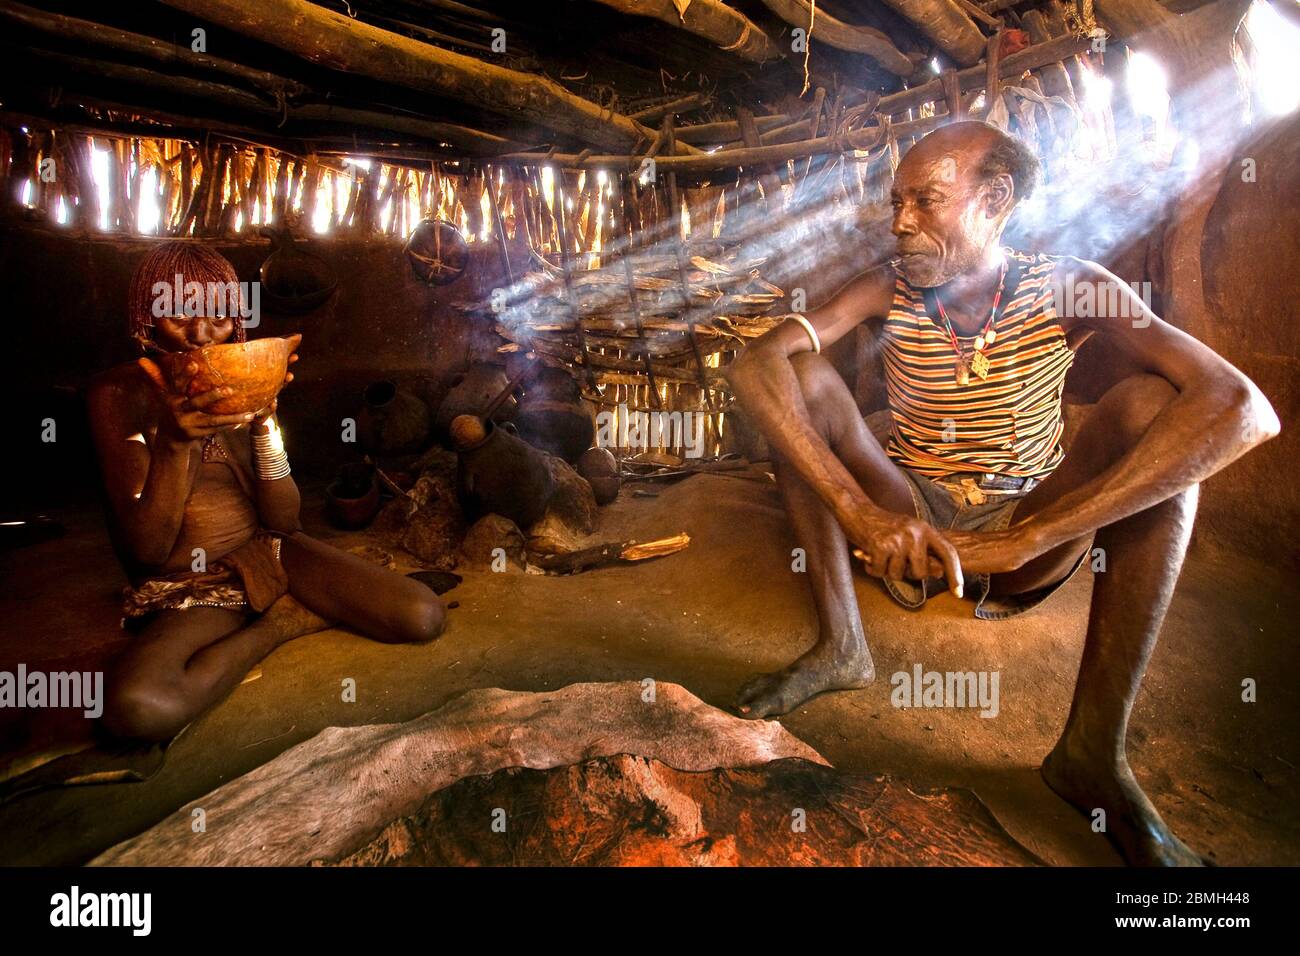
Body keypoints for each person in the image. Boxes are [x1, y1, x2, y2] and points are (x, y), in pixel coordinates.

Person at [727, 121, 1280, 866]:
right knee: (794, 378)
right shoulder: (883, 287)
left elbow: (1243, 407)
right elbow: (754, 362)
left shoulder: (1072, 285)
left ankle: (1093, 750)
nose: (901, 222)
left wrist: (1029, 537)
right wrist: (858, 511)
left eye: (926, 201)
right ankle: (842, 645)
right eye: (897, 202)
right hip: (907, 515)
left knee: (1156, 410)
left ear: (995, 199)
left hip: (1027, 520)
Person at [87, 242, 444, 743]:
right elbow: (145, 553)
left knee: (421, 615)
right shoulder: (119, 395)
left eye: (218, 318)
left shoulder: (237, 378)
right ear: (147, 320)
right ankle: (279, 625)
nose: (201, 335)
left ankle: (282, 605)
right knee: (138, 710)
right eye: (178, 316)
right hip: (191, 584)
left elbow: (284, 523)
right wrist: (175, 441)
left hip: (271, 553)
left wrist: (264, 426)